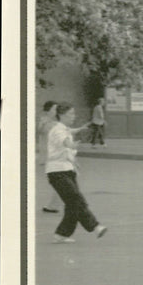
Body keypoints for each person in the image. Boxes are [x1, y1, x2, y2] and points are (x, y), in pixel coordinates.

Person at [46, 103, 107, 243]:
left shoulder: (64, 128)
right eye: (71, 114)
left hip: (67, 170)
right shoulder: (58, 130)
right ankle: (95, 226)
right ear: (61, 115)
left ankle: (62, 234)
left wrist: (80, 129)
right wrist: (71, 145)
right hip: (57, 172)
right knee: (75, 199)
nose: (74, 116)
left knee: (72, 203)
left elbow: (69, 132)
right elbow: (65, 140)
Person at [37, 100, 64, 213]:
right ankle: (53, 205)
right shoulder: (45, 121)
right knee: (59, 181)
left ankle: (53, 205)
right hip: (49, 156)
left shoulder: (54, 121)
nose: (56, 111)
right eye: (54, 109)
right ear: (47, 111)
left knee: (60, 181)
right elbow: (42, 130)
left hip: (55, 155)